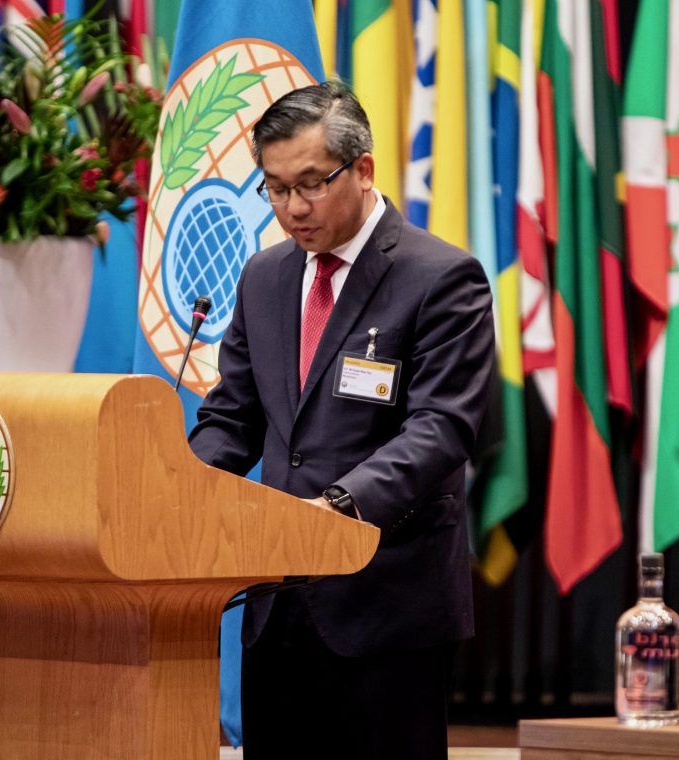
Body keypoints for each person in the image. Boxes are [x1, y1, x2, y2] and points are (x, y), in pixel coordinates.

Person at [188, 82, 495, 760]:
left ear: (362, 170)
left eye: (310, 185)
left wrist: (339, 507)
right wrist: (183, 489)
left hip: (386, 604)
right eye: (274, 189)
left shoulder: (442, 277)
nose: (292, 209)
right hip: (276, 602)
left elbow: (442, 427)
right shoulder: (264, 278)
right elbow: (233, 418)